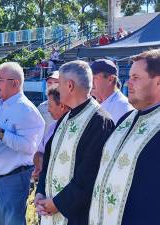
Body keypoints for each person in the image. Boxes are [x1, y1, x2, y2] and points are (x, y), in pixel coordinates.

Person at [35, 60, 115, 225]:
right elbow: (50, 159)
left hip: (76, 216)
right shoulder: (65, 117)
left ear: (70, 86)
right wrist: (40, 193)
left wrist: (57, 203)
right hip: (49, 211)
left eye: (60, 84)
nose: (57, 89)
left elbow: (90, 174)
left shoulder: (99, 121)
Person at [89, 49, 160, 225]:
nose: (128, 82)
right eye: (129, 76)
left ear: (158, 82)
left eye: (136, 77)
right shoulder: (126, 119)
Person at [0, 62, 45, 225]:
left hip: (14, 178)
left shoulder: (26, 110)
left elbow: (29, 147)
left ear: (14, 83)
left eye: (0, 80)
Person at [33, 86, 71, 179]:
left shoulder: (73, 130)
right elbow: (39, 151)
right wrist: (40, 162)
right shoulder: (52, 129)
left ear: (62, 106)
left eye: (50, 105)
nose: (48, 110)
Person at [91, 59, 134, 124]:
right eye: (89, 78)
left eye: (94, 78)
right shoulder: (92, 103)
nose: (90, 82)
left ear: (110, 79)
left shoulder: (123, 107)